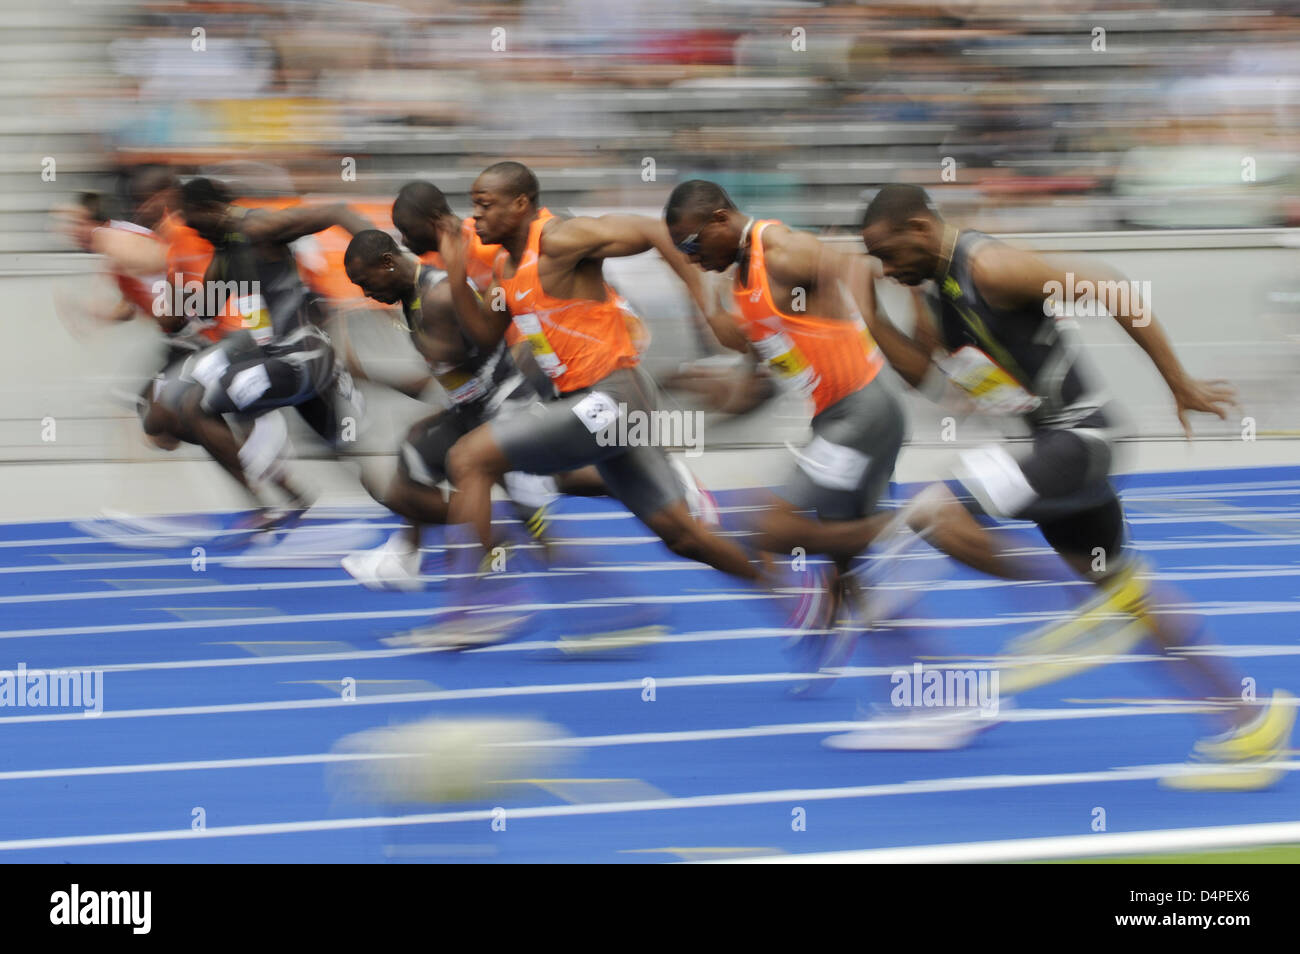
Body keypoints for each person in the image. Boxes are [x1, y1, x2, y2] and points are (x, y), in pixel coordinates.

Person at [844, 183, 1293, 788]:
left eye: (887, 252)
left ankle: (1076, 609)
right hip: (1051, 448)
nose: (883, 266)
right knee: (1127, 590)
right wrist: (869, 316)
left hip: (1081, 440)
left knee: (932, 512)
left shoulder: (991, 267)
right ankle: (1248, 721)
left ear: (921, 229)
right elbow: (928, 377)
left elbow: (1111, 288)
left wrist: (1178, 382)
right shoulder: (936, 291)